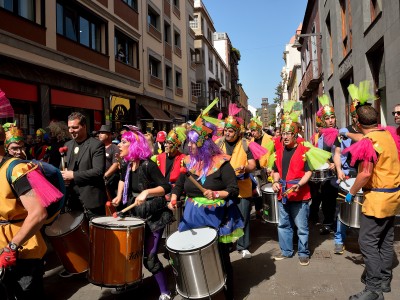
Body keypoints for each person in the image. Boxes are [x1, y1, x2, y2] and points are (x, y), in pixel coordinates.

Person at [169, 105, 244, 300]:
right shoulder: (188, 162)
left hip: (216, 215)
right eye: (188, 142)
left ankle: (226, 293)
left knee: (220, 257)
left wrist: (217, 193)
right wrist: (175, 196)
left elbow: (233, 190)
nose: (189, 146)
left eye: (193, 143)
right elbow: (179, 184)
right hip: (192, 215)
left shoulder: (222, 163)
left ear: (203, 143)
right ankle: (199, 289)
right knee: (191, 254)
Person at [343, 104, 400, 300]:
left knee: (367, 242)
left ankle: (373, 289)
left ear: (358, 123)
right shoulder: (387, 136)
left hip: (377, 200)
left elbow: (365, 173)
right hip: (393, 197)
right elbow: (367, 138)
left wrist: (351, 191)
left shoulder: (369, 141)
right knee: (385, 240)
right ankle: (385, 280)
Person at [0, 124, 63, 299]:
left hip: (23, 249)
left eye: (21, 147)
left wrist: (12, 246)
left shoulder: (18, 169)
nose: (19, 151)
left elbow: (38, 213)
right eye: (15, 148)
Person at [111, 129, 173, 300]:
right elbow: (123, 180)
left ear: (134, 146)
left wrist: (147, 192)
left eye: (124, 142)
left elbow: (166, 187)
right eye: (121, 141)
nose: (120, 145)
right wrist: (118, 195)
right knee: (131, 253)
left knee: (150, 258)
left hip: (154, 217)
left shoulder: (148, 165)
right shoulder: (127, 164)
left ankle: (165, 292)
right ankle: (131, 282)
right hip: (136, 215)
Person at [59, 112, 107, 277]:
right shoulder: (68, 145)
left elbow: (98, 171)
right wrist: (63, 177)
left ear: (84, 126)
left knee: (96, 235)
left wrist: (74, 175)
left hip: (91, 197)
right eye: (70, 127)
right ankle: (81, 265)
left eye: (75, 127)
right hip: (73, 198)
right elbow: (65, 170)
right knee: (77, 236)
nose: (72, 131)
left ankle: (99, 267)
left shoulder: (96, 145)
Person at [270, 117, 313, 266]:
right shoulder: (279, 151)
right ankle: (286, 251)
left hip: (300, 196)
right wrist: (275, 182)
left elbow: (308, 172)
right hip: (283, 195)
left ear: (295, 135)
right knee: (283, 225)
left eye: (289, 133)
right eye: (283, 133)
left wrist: (299, 185)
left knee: (302, 227)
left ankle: (303, 253)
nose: (285, 136)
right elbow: (276, 171)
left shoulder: (304, 150)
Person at [216, 103, 256, 259]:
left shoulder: (246, 144)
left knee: (243, 218)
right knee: (225, 218)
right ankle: (227, 245)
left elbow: (253, 165)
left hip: (242, 188)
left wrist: (245, 168)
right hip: (224, 188)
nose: (227, 133)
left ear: (238, 132)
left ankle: (243, 246)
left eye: (230, 130)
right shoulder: (218, 143)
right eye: (226, 130)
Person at [309, 95, 339, 234]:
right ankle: (328, 223)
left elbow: (347, 153)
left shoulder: (342, 133)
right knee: (327, 199)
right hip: (329, 174)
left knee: (340, 202)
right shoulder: (321, 137)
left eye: (332, 117)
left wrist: (337, 164)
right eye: (327, 118)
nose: (330, 121)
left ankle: (340, 225)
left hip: (342, 172)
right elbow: (321, 154)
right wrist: (329, 162)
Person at [249, 116, 273, 219]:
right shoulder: (251, 142)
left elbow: (273, 154)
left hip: (266, 169)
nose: (252, 133)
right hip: (255, 170)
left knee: (266, 191)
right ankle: (258, 212)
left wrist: (271, 167)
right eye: (251, 131)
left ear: (259, 130)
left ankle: (268, 212)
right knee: (257, 193)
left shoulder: (269, 139)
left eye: (254, 131)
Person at [152, 127, 186, 191]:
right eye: (165, 142)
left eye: (169, 143)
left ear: (176, 145)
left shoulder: (183, 158)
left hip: (176, 191)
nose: (165, 145)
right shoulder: (158, 158)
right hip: (161, 189)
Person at [98, 125, 120, 200]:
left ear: (109, 134)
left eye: (103, 133)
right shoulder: (97, 147)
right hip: (98, 179)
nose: (100, 135)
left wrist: (105, 176)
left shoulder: (114, 148)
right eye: (100, 133)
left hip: (110, 181)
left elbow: (115, 164)